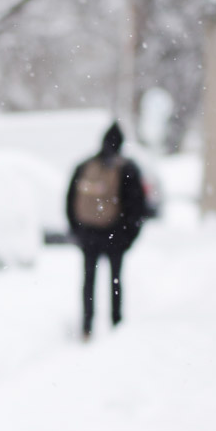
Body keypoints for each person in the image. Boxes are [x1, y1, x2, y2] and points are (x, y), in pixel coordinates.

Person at [65, 120, 146, 340]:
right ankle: (116, 323)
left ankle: (87, 326)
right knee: (115, 281)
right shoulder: (127, 168)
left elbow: (70, 201)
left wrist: (77, 231)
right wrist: (128, 236)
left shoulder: (85, 166)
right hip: (115, 235)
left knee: (89, 281)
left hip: (89, 234)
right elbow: (138, 207)